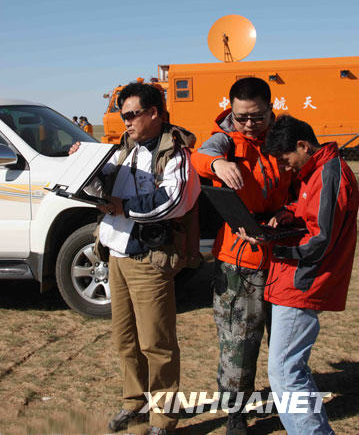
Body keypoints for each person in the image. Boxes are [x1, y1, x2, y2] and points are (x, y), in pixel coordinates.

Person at [81, 82, 201, 435]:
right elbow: (104, 188)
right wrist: (84, 166)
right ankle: (134, 403)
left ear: (154, 113)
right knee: (125, 338)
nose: (126, 122)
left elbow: (173, 201)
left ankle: (163, 419)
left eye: (132, 114)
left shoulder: (175, 153)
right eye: (123, 115)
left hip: (149, 259)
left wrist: (123, 207)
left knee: (157, 343)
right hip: (117, 255)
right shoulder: (125, 149)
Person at [239, 115, 359, 435]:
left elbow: (320, 241)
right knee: (286, 370)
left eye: (286, 159)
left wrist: (273, 247)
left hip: (302, 282)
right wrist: (285, 214)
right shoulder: (317, 170)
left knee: (285, 371)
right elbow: (308, 211)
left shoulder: (330, 173)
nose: (285, 167)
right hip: (293, 280)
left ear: (303, 146)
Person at [191, 77, 292, 434]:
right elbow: (198, 157)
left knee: (284, 345)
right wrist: (218, 165)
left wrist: (288, 211)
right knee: (238, 344)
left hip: (283, 261)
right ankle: (236, 413)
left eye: (257, 117)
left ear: (270, 107)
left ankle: (288, 405)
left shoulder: (283, 138)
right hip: (239, 263)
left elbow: (301, 182)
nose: (249, 124)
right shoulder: (223, 140)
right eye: (241, 117)